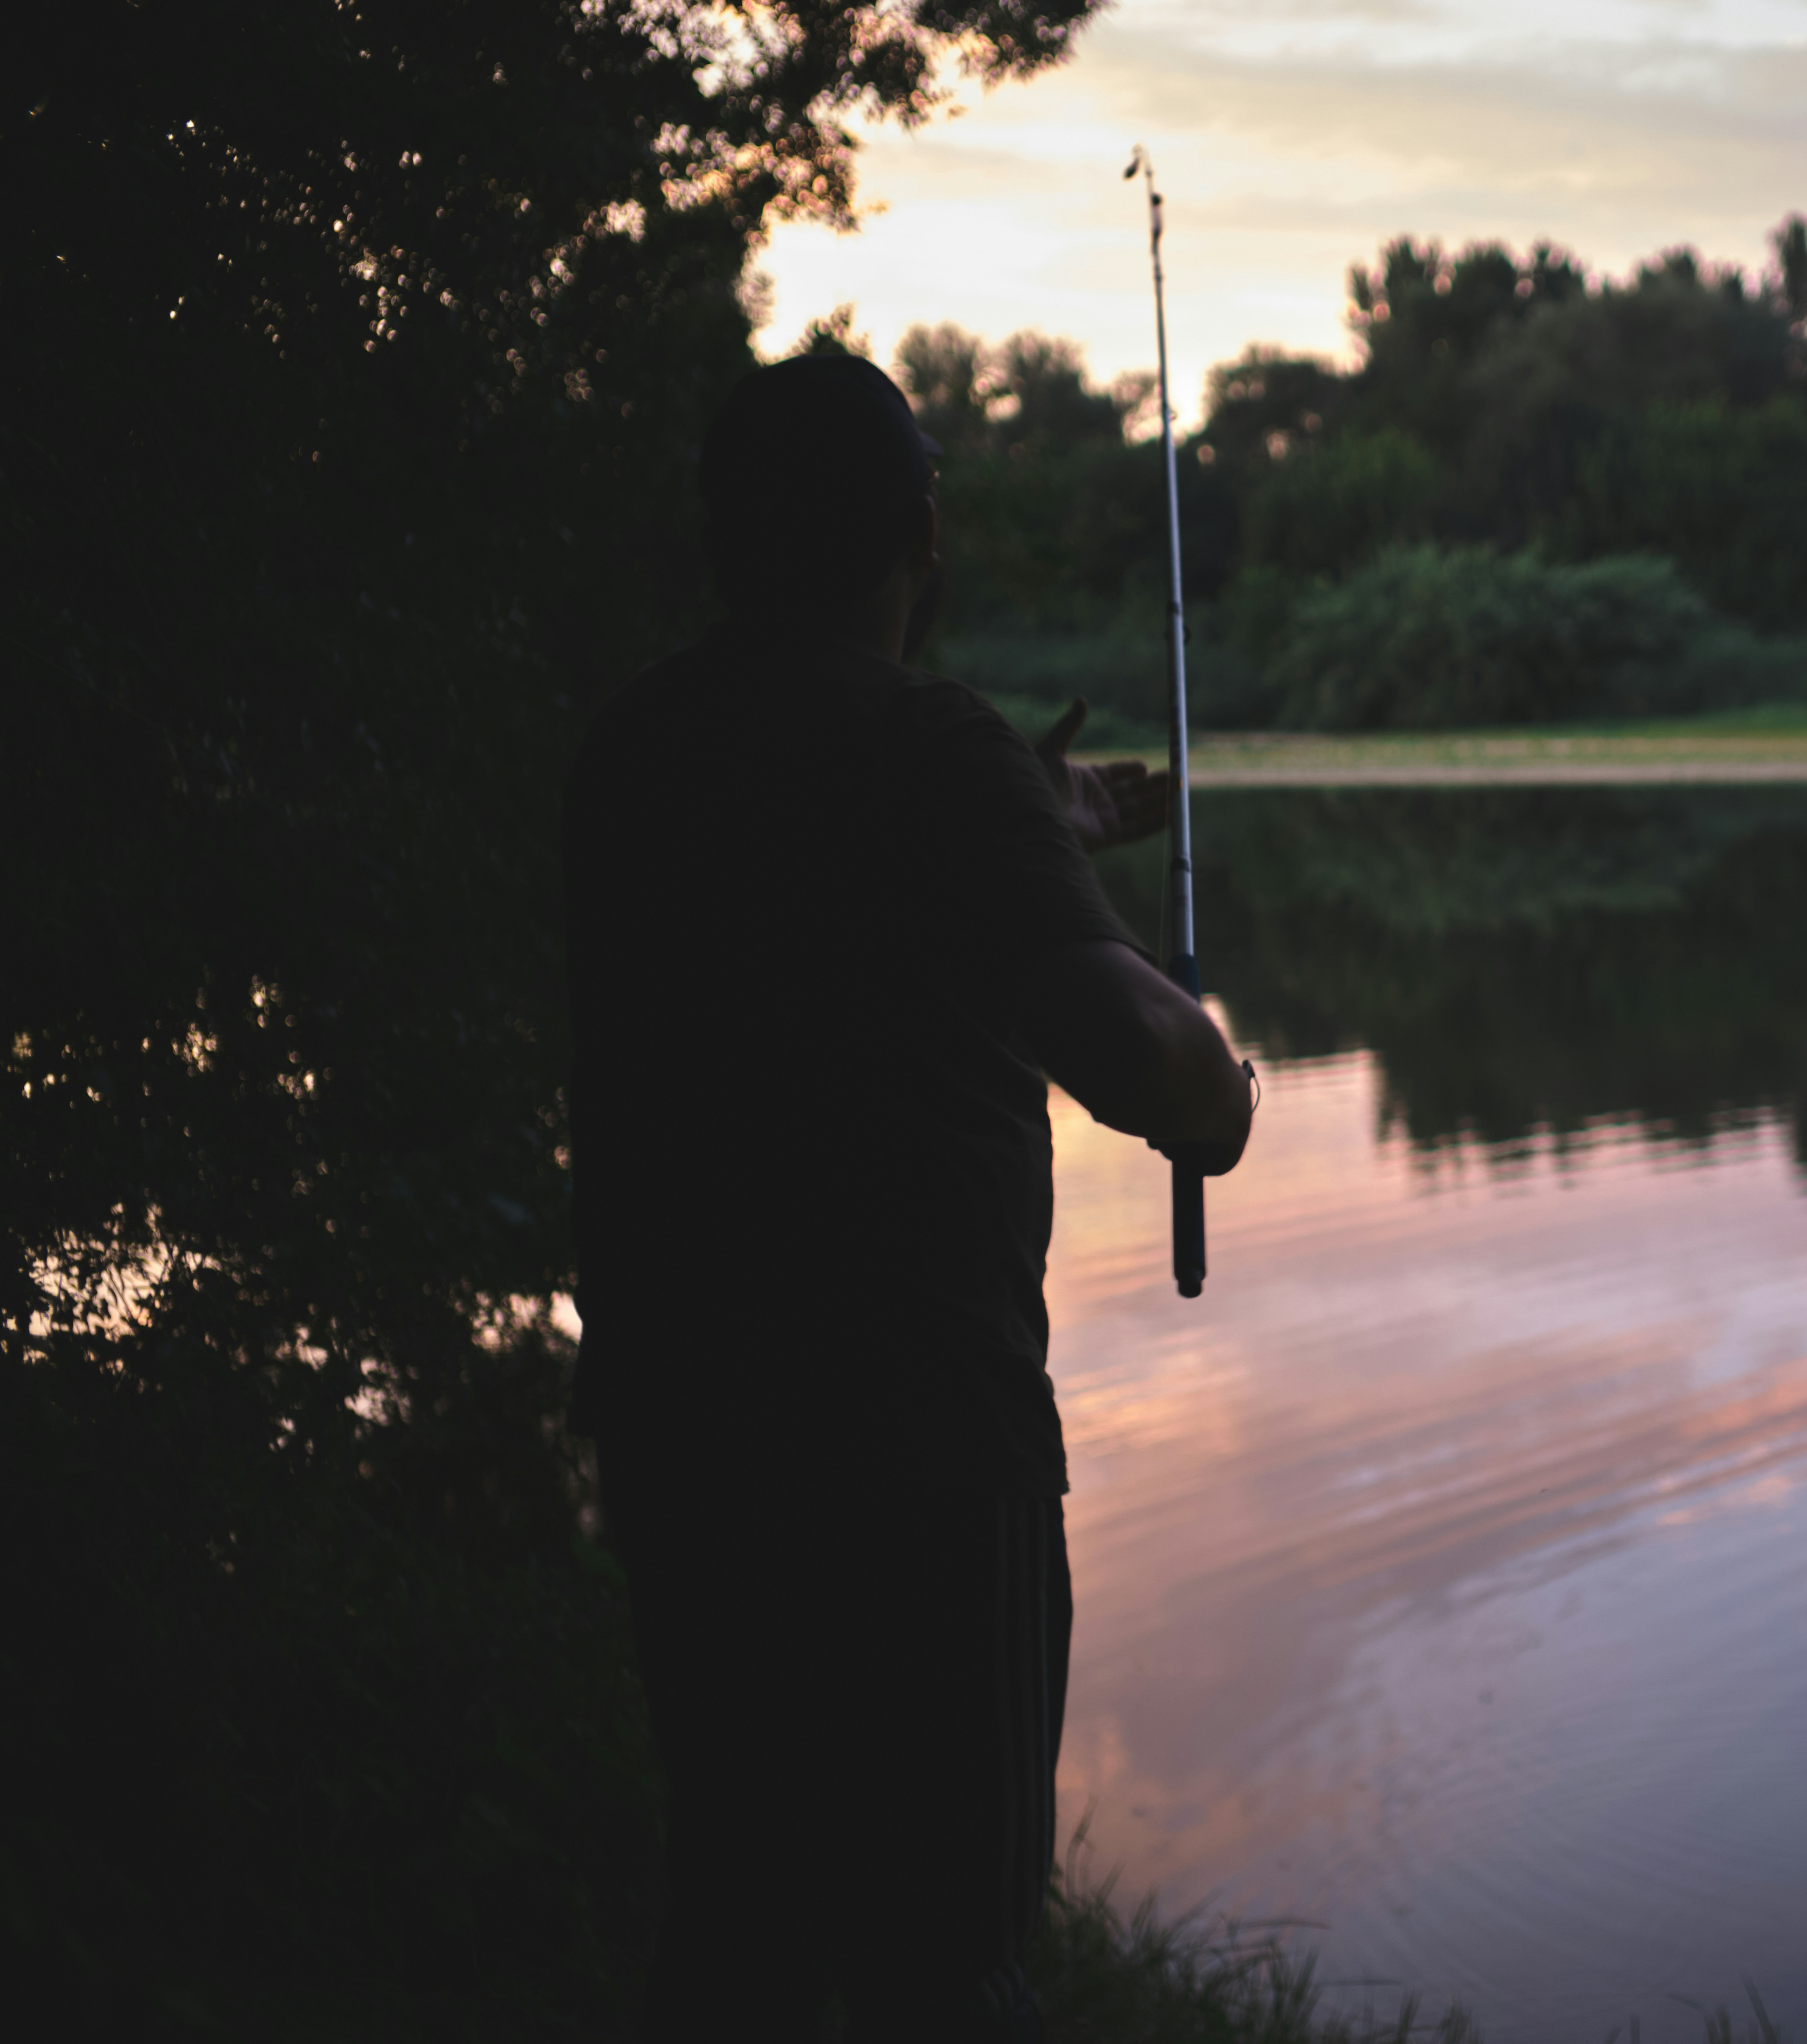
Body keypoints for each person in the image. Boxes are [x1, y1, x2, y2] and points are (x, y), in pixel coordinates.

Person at [562, 353, 1253, 2041]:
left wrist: (1041, 817)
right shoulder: (935, 751)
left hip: (682, 1435)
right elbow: (1140, 1055)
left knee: (740, 1926)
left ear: (722, 537)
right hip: (924, 1458)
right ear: (921, 534)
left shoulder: (632, 751)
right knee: (949, 1969)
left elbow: (813, 868)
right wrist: (1221, 1090)